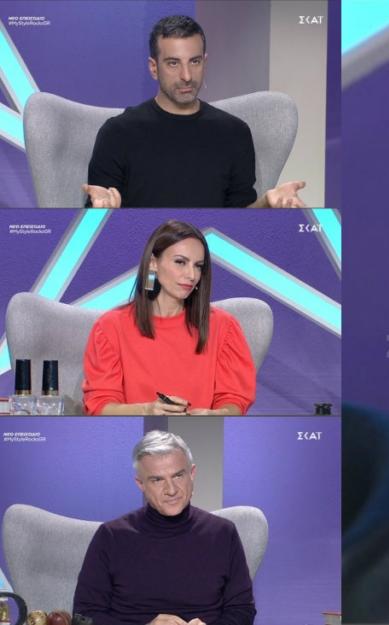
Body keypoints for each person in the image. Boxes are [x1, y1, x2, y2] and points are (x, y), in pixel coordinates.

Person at [82, 15, 307, 208]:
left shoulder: (234, 133)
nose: (187, 76)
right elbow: (96, 225)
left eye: (195, 62)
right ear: (153, 68)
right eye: (173, 63)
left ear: (204, 62)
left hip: (210, 245)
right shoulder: (118, 132)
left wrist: (267, 203)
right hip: (142, 245)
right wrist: (102, 211)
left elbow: (240, 221)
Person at [73, 430, 256, 625]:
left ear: (192, 474)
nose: (171, 490)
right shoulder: (111, 536)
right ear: (141, 484)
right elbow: (83, 616)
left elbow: (242, 610)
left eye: (178, 476)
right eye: (157, 480)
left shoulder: (223, 533)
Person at [82, 220, 256, 415]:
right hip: (134, 431)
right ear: (153, 263)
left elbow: (234, 401)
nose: (191, 275)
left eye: (198, 266)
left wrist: (215, 416)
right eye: (180, 262)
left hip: (202, 433)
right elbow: (100, 406)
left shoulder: (223, 326)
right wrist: (146, 411)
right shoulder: (111, 326)